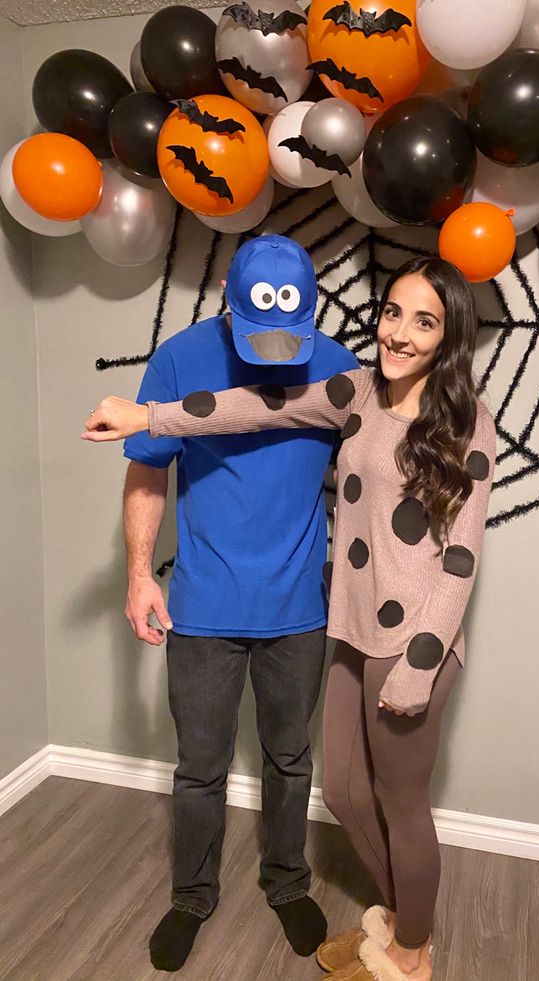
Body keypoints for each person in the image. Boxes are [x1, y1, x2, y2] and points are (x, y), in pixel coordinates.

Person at [84, 256, 496, 981]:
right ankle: (202, 898)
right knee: (248, 774)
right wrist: (149, 427)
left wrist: (423, 659)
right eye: (393, 312)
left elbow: (459, 558)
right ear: (227, 299)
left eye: (424, 319)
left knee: (323, 771)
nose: (399, 332)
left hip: (345, 624)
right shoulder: (330, 382)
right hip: (278, 616)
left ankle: (359, 919)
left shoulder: (414, 400)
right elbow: (246, 411)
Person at [115, 234, 358, 972]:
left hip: (299, 606)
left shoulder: (340, 366)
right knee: (200, 763)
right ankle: (192, 894)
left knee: (289, 755)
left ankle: (286, 879)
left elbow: (371, 479)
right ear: (229, 295)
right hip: (204, 602)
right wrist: (137, 573)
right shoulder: (180, 356)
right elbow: (148, 471)